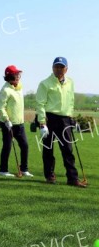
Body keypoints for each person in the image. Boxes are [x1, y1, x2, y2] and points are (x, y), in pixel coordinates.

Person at [36, 56, 86, 188]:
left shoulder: (70, 82)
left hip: (65, 120)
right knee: (48, 149)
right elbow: (40, 104)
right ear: (52, 68)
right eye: (56, 67)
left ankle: (72, 178)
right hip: (49, 118)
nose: (59, 69)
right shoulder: (45, 83)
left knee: (68, 150)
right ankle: (49, 175)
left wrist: (71, 117)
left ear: (66, 69)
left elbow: (71, 100)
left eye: (61, 67)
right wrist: (42, 123)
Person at [0, 65, 33, 178]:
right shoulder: (5, 90)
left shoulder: (19, 88)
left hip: (19, 123)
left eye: (18, 74)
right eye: (16, 75)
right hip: (7, 124)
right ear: (9, 76)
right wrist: (6, 120)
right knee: (7, 146)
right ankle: (3, 170)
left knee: (25, 145)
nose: (18, 76)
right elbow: (0, 107)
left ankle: (24, 169)